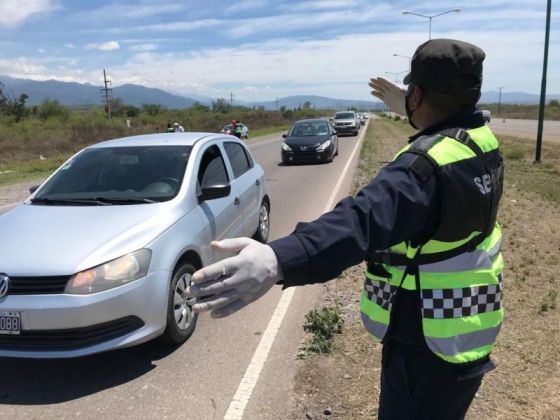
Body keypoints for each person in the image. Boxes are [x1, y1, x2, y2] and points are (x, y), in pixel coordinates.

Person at [186, 39, 504, 420]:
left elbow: (360, 220)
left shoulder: (422, 167)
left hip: (426, 340)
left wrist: (278, 258)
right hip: (469, 324)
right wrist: (414, 110)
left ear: (416, 94)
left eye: (411, 95)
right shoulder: (480, 143)